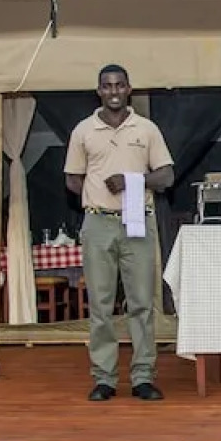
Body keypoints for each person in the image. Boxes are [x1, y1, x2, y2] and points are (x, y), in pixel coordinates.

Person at [64, 64, 175, 401]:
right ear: (99, 91)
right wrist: (96, 195)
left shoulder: (147, 129)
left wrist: (131, 182)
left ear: (129, 89)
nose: (113, 91)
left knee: (141, 302)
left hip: (138, 221)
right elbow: (72, 178)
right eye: (107, 86)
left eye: (119, 85)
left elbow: (166, 176)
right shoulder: (84, 130)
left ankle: (143, 377)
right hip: (98, 222)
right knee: (100, 304)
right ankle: (104, 378)